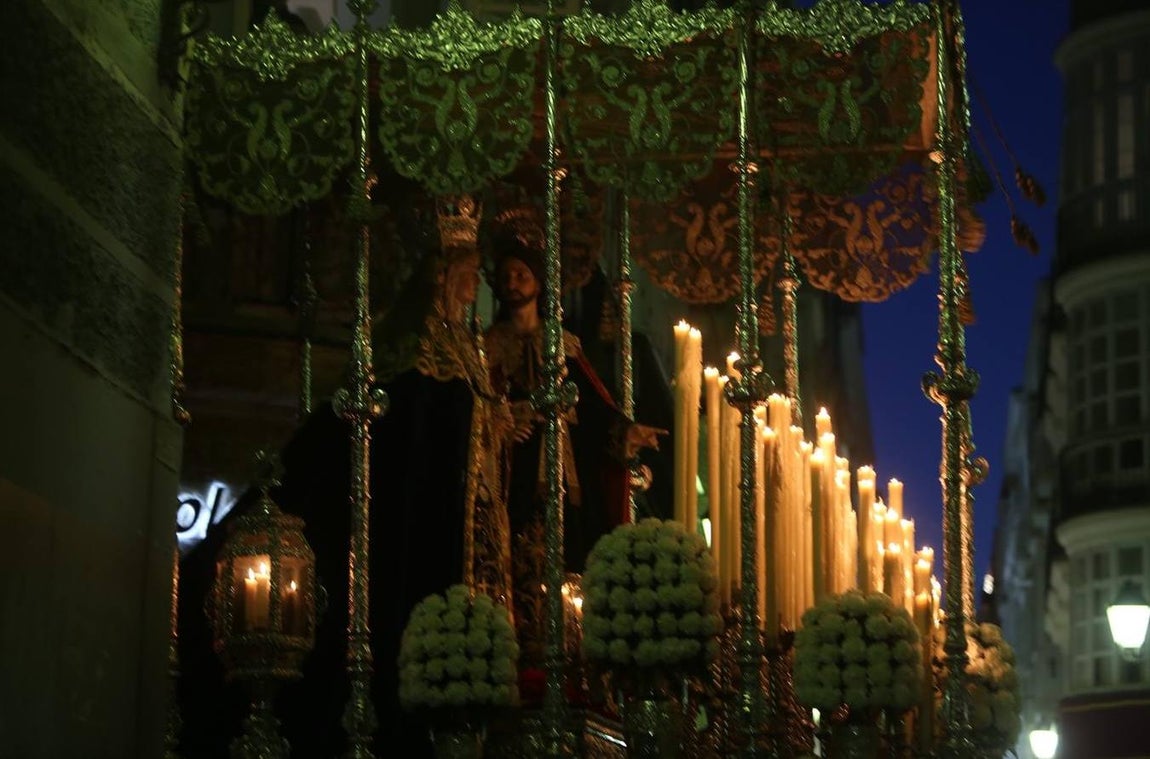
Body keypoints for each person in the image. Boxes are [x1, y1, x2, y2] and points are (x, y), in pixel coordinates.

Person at [177, 197, 512, 758]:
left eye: (475, 278)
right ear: (440, 278)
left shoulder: (467, 354)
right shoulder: (416, 361)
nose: (470, 289)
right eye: (466, 276)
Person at [483, 218, 662, 677]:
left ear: (539, 282)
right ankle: (521, 645)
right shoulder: (486, 349)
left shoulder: (563, 346)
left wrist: (627, 433)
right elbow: (478, 412)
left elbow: (596, 412)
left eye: (521, 274)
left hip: (564, 473)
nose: (512, 283)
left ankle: (573, 652)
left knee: (571, 554)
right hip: (513, 472)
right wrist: (504, 422)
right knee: (517, 553)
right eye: (505, 276)